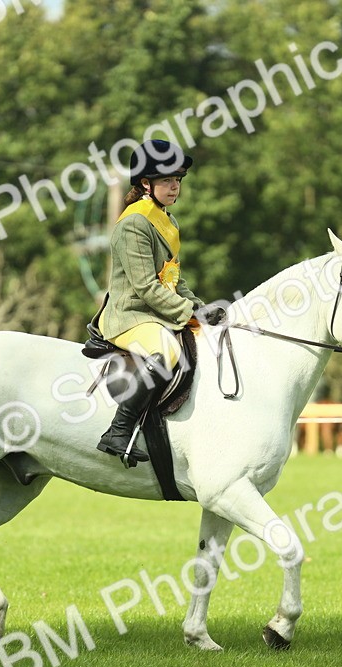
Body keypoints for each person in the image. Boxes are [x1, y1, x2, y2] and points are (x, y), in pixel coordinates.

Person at [93, 139, 225, 464]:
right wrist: (189, 313)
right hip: (129, 315)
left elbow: (175, 280)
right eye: (167, 180)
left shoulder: (168, 221)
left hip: (155, 314)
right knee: (166, 350)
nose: (174, 187)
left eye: (178, 180)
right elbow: (146, 288)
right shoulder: (134, 223)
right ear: (146, 183)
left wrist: (201, 307)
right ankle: (119, 430)